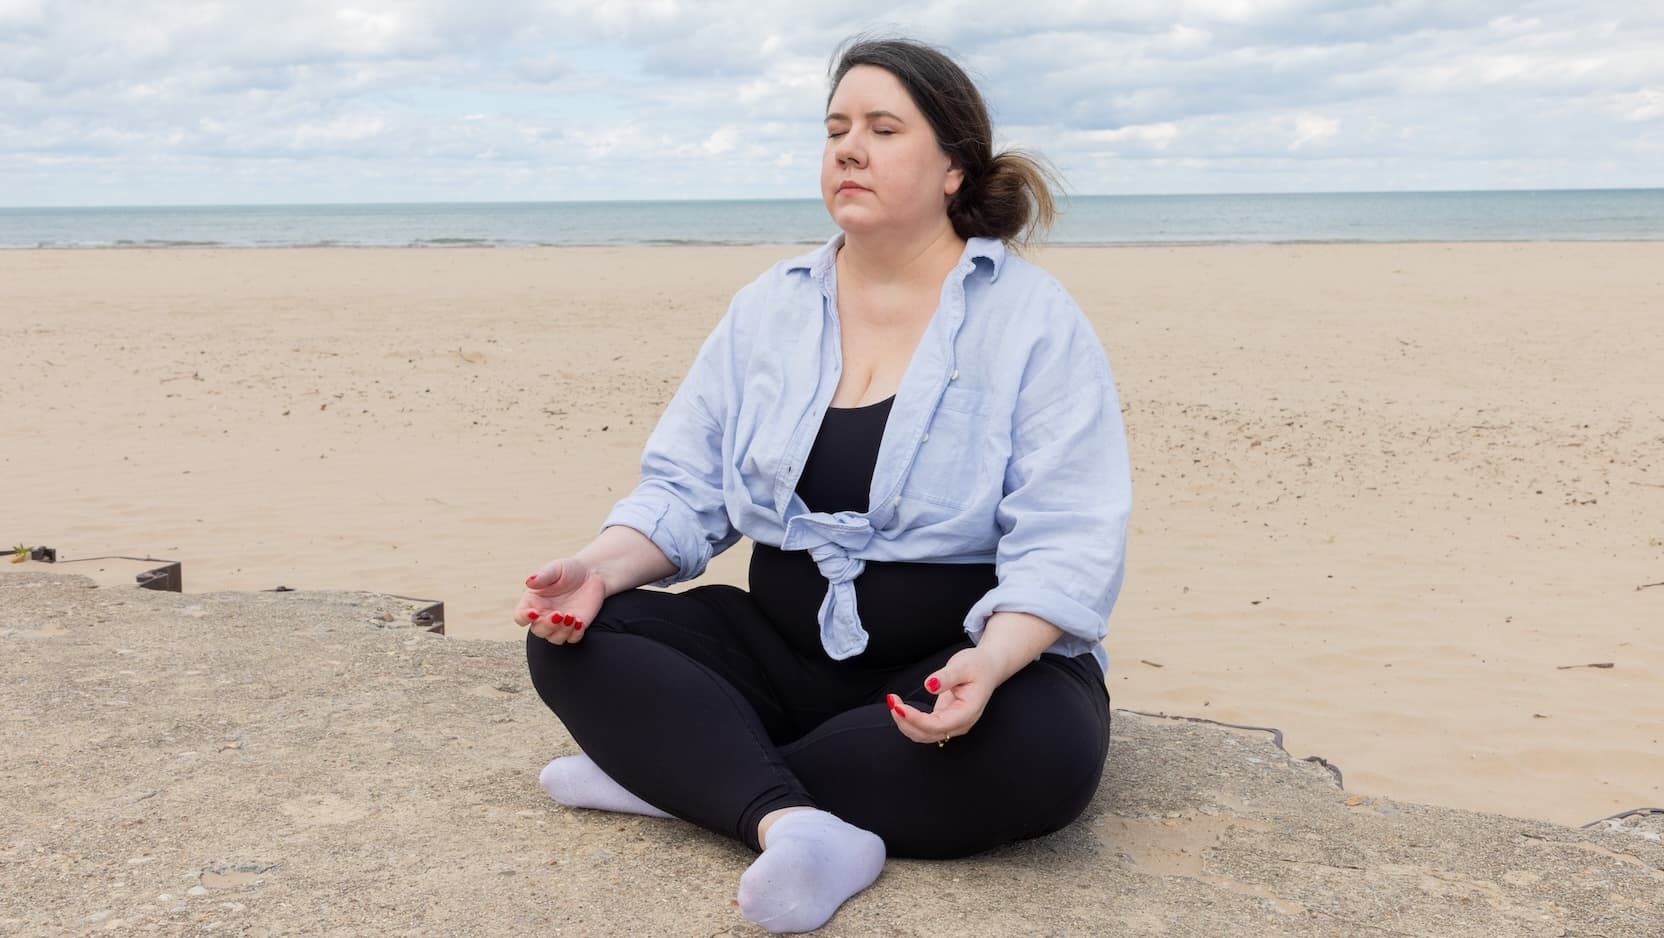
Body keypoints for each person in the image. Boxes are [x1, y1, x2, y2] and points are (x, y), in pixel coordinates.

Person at [517, 35, 1130, 934]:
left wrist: (992, 663)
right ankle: (791, 821)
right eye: (837, 127)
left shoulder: (1033, 319)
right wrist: (599, 568)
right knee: (576, 637)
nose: (849, 148)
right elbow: (687, 490)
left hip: (950, 672)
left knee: (1048, 752)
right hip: (781, 655)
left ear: (953, 166)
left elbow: (1070, 535)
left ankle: (690, 777)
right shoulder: (769, 306)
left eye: (884, 129)